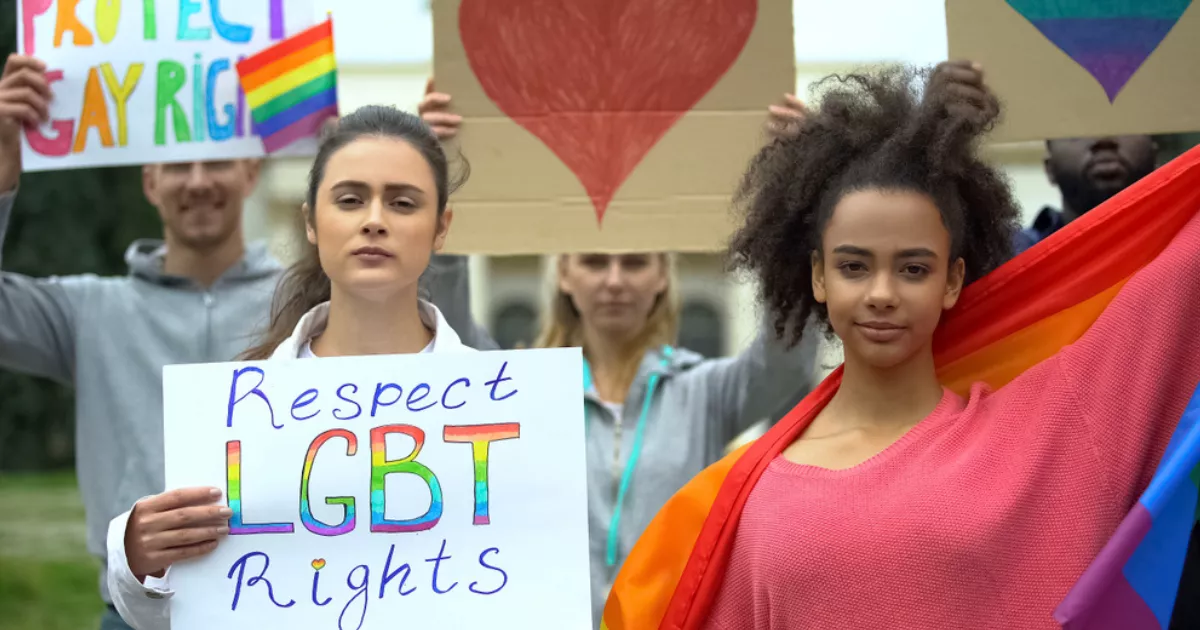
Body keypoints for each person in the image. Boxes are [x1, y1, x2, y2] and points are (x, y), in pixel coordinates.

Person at [603, 62, 1200, 629]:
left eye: (913, 269)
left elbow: (1176, 284)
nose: (882, 294)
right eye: (854, 267)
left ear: (953, 280)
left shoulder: (1046, 429)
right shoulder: (747, 500)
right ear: (818, 277)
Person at [0, 54, 489, 630]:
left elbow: (441, 346)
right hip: (160, 604)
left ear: (251, 173)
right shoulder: (88, 309)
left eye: (219, 160)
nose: (200, 180)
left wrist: (409, 160)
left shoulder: (321, 294)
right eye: (179, 165)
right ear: (149, 181)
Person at [419, 81, 821, 625]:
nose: (614, 280)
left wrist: (796, 186)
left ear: (661, 277)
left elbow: (786, 357)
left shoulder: (703, 390)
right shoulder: (520, 389)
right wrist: (441, 168)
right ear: (563, 273)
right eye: (593, 262)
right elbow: (447, 321)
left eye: (634, 263)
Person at [106, 105, 477, 629]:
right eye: (350, 200)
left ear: (441, 228)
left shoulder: (501, 404)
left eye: (402, 202)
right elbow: (176, 614)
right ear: (310, 221)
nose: (374, 219)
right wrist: (138, 556)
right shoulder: (233, 409)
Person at [1014, 134, 1157, 254]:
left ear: (1155, 156)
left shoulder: (1178, 245)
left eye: (1125, 125)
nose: (1103, 141)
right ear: (1049, 169)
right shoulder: (1007, 259)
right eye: (1077, 131)